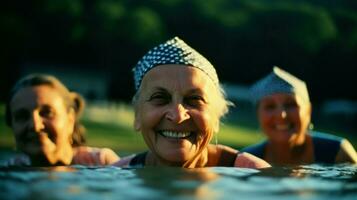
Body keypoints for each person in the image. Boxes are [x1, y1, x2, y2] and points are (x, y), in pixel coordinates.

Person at [113, 37, 270, 169]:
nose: (177, 116)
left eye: (194, 100)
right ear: (137, 115)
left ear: (217, 117)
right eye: (160, 98)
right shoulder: (118, 174)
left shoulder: (252, 174)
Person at [242, 66, 357, 165]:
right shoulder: (247, 160)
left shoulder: (337, 153)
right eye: (270, 106)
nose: (281, 115)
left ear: (308, 111)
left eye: (290, 105)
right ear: (258, 114)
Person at [5, 74, 120, 166]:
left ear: (70, 120)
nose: (35, 125)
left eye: (47, 113)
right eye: (22, 116)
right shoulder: (11, 168)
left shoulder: (102, 162)